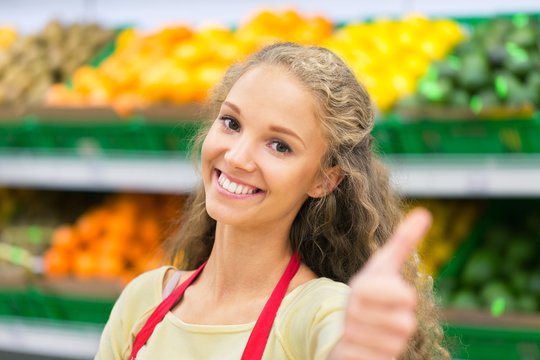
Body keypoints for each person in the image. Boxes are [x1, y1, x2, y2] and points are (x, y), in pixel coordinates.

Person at [95, 42, 448, 360]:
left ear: (324, 179)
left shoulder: (317, 314)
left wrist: (358, 349)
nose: (236, 157)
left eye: (280, 145)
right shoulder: (143, 301)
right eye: (231, 123)